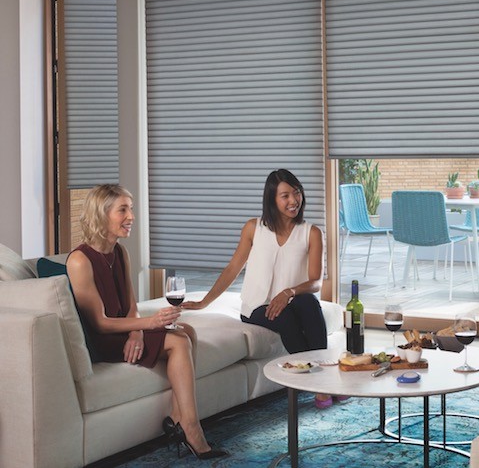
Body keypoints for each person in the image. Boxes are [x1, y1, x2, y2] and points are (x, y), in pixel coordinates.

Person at [66, 184, 226, 460]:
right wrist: (148, 325)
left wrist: (139, 332)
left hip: (124, 331)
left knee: (185, 329)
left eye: (131, 209)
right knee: (176, 340)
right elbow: (100, 324)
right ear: (102, 214)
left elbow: (130, 306)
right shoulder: (80, 260)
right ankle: (191, 429)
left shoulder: (120, 252)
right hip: (104, 340)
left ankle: (178, 415)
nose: (131, 216)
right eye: (123, 210)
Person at [182, 169, 333, 407]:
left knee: (309, 303)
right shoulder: (254, 228)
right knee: (285, 318)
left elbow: (315, 281)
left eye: (296, 192)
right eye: (285, 196)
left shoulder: (311, 233)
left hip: (292, 301)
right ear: (272, 199)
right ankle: (320, 382)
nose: (293, 200)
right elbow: (233, 268)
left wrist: (288, 292)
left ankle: (323, 377)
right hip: (257, 308)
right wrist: (205, 301)